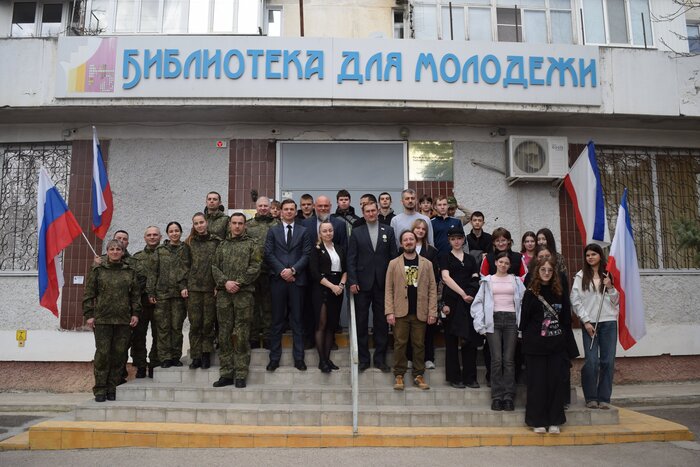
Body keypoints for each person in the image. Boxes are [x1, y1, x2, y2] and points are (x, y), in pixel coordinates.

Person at [520, 257, 577, 434]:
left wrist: (564, 343)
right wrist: (528, 342)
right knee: (537, 384)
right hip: (535, 347)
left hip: (556, 346)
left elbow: (566, 320)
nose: (546, 273)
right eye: (543, 270)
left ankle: (554, 421)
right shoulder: (530, 293)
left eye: (550, 270)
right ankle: (537, 421)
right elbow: (524, 321)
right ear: (537, 272)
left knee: (555, 383)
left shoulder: (559, 292)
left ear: (554, 273)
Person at [83, 239, 140, 402]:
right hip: (103, 320)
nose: (115, 252)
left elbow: (135, 296)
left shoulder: (130, 271)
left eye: (118, 249)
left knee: (119, 355)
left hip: (123, 320)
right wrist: (89, 314)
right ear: (107, 252)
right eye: (112, 249)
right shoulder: (98, 270)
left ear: (122, 252)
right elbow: (89, 294)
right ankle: (100, 389)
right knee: (103, 355)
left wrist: (135, 313)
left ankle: (112, 388)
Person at [211, 213, 262, 388]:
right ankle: (226, 373)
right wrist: (225, 282)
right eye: (234, 223)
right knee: (224, 334)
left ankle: (240, 373)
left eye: (240, 223)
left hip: (244, 294)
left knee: (242, 334)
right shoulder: (222, 245)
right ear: (230, 225)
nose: (237, 226)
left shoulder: (252, 245)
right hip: (224, 295)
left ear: (245, 225)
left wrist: (238, 282)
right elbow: (214, 267)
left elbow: (255, 267)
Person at [472, 250, 526, 411]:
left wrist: (522, 324)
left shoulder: (516, 281)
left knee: (508, 360)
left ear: (510, 265)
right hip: (493, 320)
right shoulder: (487, 281)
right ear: (495, 262)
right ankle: (497, 397)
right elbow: (478, 303)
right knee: (496, 360)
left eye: (506, 263)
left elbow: (524, 302)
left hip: (511, 321)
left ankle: (508, 397)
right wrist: (480, 324)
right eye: (501, 262)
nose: (503, 265)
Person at [347, 201, 397, 372]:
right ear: (363, 213)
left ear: (378, 211)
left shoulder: (388, 231)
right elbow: (351, 259)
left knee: (381, 322)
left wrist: (392, 282)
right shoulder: (356, 232)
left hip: (383, 284)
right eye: (367, 211)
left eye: (373, 210)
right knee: (361, 322)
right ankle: (363, 359)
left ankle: (380, 359)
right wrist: (353, 281)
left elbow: (393, 258)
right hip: (361, 284)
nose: (371, 213)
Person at [385, 230, 438, 390]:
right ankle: (399, 375)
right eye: (405, 240)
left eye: (411, 239)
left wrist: (432, 311)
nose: (408, 242)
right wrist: (389, 311)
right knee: (400, 344)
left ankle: (418, 375)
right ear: (401, 243)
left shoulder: (426, 264)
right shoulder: (394, 263)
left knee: (419, 344)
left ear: (416, 241)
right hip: (400, 311)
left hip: (420, 311)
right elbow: (388, 289)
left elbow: (432, 289)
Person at [264, 199, 313, 372]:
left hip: (297, 281)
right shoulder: (273, 230)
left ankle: (299, 358)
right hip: (278, 281)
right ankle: (274, 359)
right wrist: (282, 271)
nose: (289, 212)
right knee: (277, 321)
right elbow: (268, 253)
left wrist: (293, 270)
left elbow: (306, 254)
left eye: (292, 209)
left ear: (295, 211)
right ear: (280, 211)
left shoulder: (303, 231)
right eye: (286, 209)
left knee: (297, 321)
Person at [570, 243, 620, 409]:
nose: (590, 257)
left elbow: (617, 301)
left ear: (600, 255)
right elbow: (575, 300)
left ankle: (604, 398)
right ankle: (591, 397)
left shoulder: (609, 274)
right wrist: (585, 321)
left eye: (593, 254)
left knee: (607, 362)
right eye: (588, 255)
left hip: (609, 322)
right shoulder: (580, 276)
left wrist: (610, 287)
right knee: (591, 361)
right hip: (590, 324)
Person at [302, 195, 349, 349]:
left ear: (331, 206)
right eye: (320, 206)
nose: (323, 208)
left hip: (332, 278)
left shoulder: (339, 224)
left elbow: (343, 249)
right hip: (310, 274)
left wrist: (340, 282)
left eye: (326, 206)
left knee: (331, 314)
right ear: (315, 206)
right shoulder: (305, 224)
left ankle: (330, 341)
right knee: (310, 309)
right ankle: (311, 339)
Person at [438, 225, 480, 389]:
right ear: (449, 241)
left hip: (469, 302)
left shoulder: (470, 259)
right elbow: (446, 278)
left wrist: (469, 294)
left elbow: (475, 278)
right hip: (452, 302)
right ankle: (454, 377)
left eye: (459, 238)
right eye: (453, 239)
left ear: (463, 240)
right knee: (451, 340)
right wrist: (462, 293)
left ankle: (470, 377)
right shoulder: (445, 257)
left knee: (470, 339)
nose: (456, 241)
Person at [147, 221, 191, 368]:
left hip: (179, 295)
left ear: (181, 232)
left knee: (176, 327)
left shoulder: (186, 249)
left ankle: (175, 356)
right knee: (163, 328)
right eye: (171, 231)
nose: (174, 233)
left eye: (177, 231)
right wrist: (151, 292)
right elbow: (153, 272)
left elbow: (188, 269)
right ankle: (165, 357)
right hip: (162, 295)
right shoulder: (160, 251)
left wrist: (185, 286)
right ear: (167, 234)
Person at [308, 220, 347, 373]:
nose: (328, 233)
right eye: (324, 231)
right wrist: (332, 286)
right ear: (320, 233)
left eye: (330, 230)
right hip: (322, 288)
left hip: (337, 289)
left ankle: (328, 359)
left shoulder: (340, 248)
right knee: (322, 324)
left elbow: (345, 269)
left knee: (332, 325)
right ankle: (322, 360)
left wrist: (341, 285)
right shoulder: (316, 249)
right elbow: (314, 273)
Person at [184, 212, 220, 370]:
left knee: (208, 323)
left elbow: (220, 264)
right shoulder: (189, 242)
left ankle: (206, 354)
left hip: (210, 289)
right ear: (193, 225)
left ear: (206, 222)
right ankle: (196, 356)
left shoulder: (216, 241)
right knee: (195, 323)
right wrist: (183, 286)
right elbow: (184, 265)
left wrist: (218, 285)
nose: (199, 225)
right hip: (193, 289)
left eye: (201, 222)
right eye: (196, 223)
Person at [405, 218, 440, 370]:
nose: (420, 231)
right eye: (417, 228)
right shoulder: (404, 248)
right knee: (409, 327)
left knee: (428, 327)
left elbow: (435, 275)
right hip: (408, 293)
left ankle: (428, 358)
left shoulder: (431, 251)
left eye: (423, 229)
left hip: (425, 294)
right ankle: (409, 357)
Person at [246, 196, 280, 349]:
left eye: (266, 206)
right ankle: (253, 337)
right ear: (256, 207)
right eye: (260, 206)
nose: (263, 208)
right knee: (253, 306)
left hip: (271, 271)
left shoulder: (277, 225)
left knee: (268, 306)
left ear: (270, 207)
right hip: (253, 272)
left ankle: (267, 337)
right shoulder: (248, 225)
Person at [131, 226, 162, 378]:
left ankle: (155, 364)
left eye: (155, 235)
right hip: (141, 303)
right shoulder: (137, 258)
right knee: (138, 335)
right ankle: (141, 365)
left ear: (160, 237)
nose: (152, 237)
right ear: (144, 238)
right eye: (149, 235)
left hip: (160, 302)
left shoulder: (165, 255)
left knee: (159, 334)